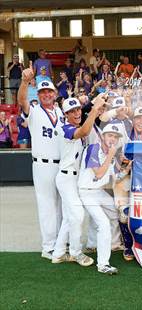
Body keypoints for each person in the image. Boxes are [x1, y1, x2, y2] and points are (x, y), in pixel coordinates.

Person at [18, 67, 65, 260]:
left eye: (49, 91)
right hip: (42, 164)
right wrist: (24, 82)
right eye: (43, 92)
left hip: (61, 165)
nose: (46, 94)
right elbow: (22, 100)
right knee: (47, 205)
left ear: (54, 94)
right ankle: (49, 247)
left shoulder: (61, 112)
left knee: (63, 206)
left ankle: (62, 242)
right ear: (38, 94)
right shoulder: (34, 110)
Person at [51, 96, 103, 269]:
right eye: (72, 111)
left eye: (78, 109)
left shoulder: (76, 126)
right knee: (78, 215)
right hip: (66, 177)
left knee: (69, 218)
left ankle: (58, 253)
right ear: (65, 114)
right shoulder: (64, 128)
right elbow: (84, 132)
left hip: (74, 177)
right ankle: (75, 252)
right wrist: (94, 110)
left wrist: (95, 105)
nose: (76, 113)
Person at [78, 123, 125, 274]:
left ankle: (116, 244)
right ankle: (103, 264)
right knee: (103, 224)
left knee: (119, 211)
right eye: (110, 135)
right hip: (86, 192)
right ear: (102, 136)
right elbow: (98, 174)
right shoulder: (94, 148)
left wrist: (126, 169)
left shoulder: (110, 153)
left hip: (99, 192)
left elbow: (112, 178)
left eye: (116, 137)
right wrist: (111, 156)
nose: (113, 139)